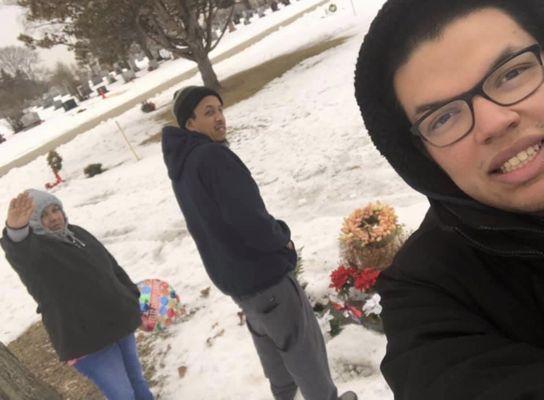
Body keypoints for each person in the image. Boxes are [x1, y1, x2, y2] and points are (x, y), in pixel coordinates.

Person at [353, 0, 544, 399]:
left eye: (512, 73)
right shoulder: (427, 291)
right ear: (423, 157)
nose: (494, 123)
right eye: (443, 117)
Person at [161, 86, 357, 400]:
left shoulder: (182, 165)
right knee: (303, 350)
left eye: (220, 109)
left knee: (272, 348)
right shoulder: (212, 156)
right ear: (190, 123)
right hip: (263, 275)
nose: (219, 118)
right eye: (209, 112)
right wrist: (283, 240)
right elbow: (249, 219)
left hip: (237, 281)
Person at [1, 189, 153, 400]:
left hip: (119, 322)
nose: (53, 217)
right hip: (85, 340)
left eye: (55, 210)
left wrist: (133, 302)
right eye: (44, 215)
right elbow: (19, 250)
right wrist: (15, 231)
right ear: (33, 221)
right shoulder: (36, 253)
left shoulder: (77, 233)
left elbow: (113, 268)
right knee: (123, 394)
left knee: (137, 381)